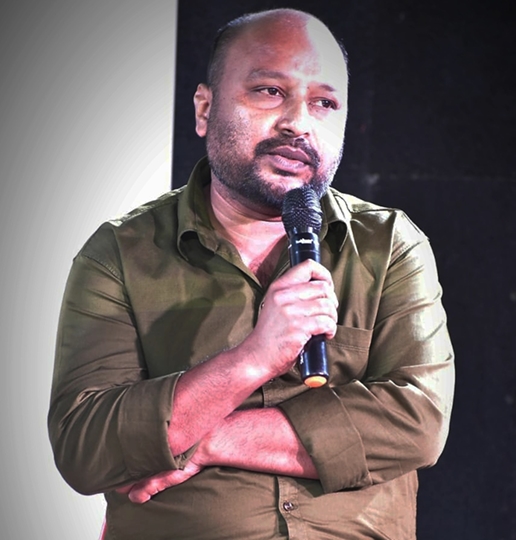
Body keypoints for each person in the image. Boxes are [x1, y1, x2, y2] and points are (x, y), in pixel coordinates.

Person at [48, 8, 454, 540]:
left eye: (324, 103)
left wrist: (204, 439)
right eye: (269, 91)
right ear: (204, 108)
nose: (299, 124)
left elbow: (417, 420)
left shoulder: (390, 244)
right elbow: (85, 446)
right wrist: (253, 358)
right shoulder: (119, 253)